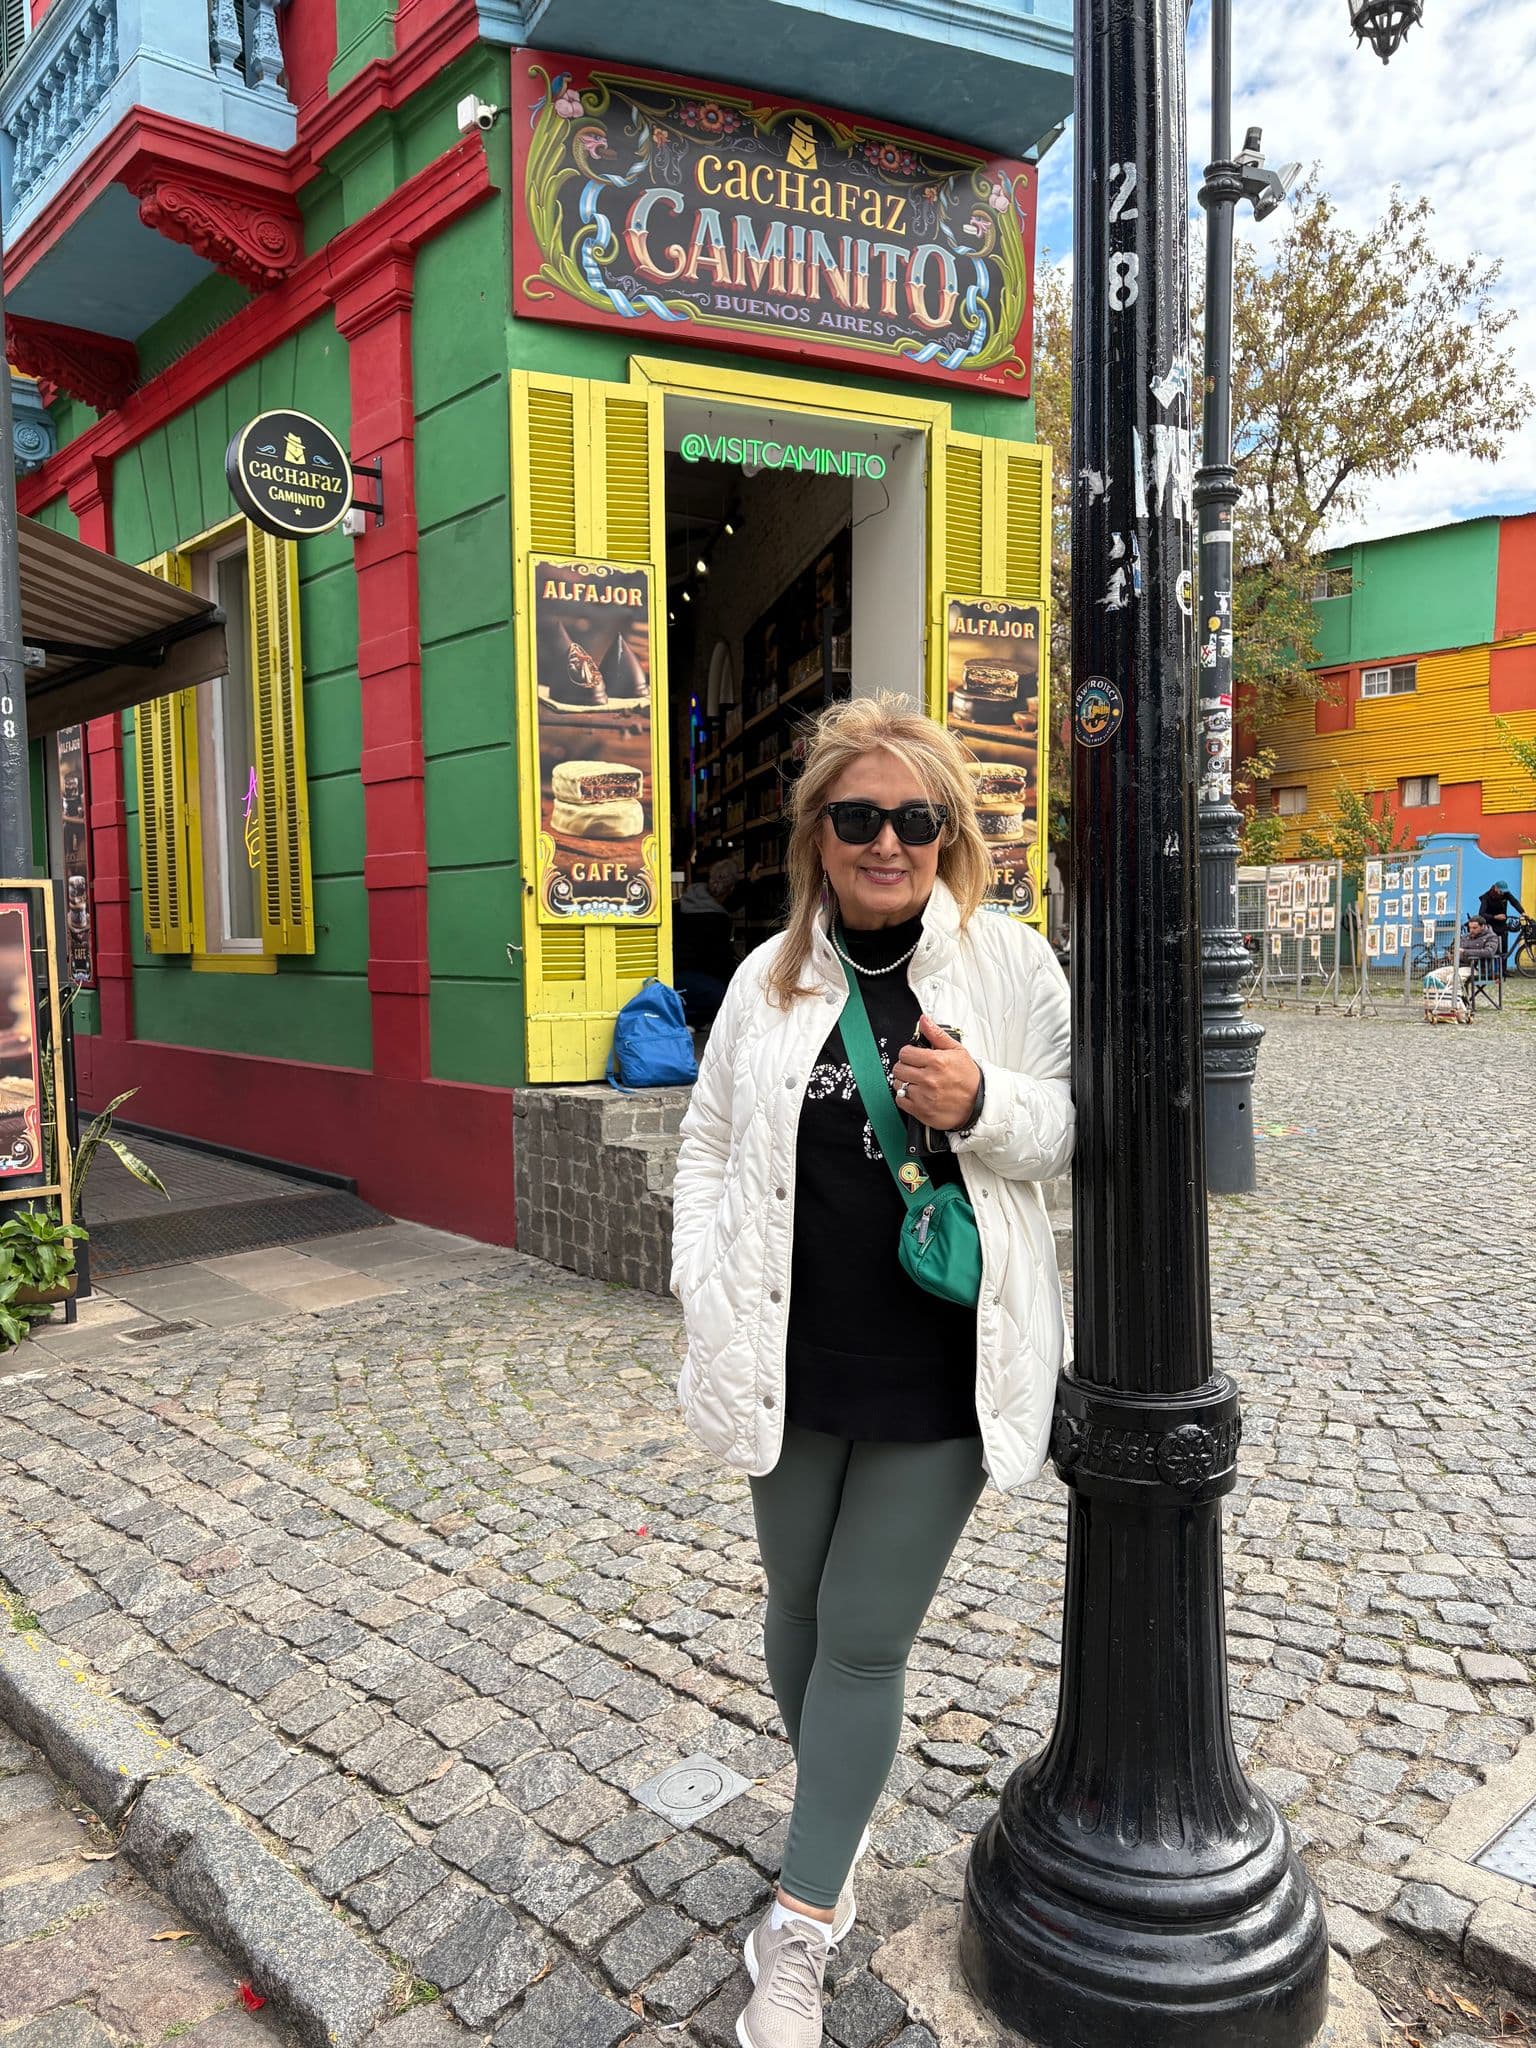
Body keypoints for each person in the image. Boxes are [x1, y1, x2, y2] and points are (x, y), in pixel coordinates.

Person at [670, 697, 1073, 2048]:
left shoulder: (1009, 968)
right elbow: (710, 1147)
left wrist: (988, 1107)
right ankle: (832, 1815)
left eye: (915, 818)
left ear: (951, 834)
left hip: (938, 1371)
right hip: (786, 1355)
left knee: (861, 1635)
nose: (887, 841)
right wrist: (697, 1283)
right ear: (817, 836)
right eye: (858, 818)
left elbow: (1070, 1131)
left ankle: (803, 1926)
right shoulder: (767, 981)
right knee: (794, 1614)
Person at [673, 857, 743, 1028]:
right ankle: (690, 1019)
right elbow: (719, 961)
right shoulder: (718, 919)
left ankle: (682, 1015)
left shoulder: (681, 905)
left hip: (670, 974)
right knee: (729, 999)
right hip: (696, 979)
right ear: (731, 889)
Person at [1477, 879, 1525, 962]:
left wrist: (1522, 912)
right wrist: (1495, 917)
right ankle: (1491, 970)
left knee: (1504, 948)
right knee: (1493, 948)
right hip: (1491, 926)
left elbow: (1514, 902)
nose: (1502, 893)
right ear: (1495, 888)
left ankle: (1504, 970)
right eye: (1501, 891)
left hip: (1502, 925)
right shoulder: (1486, 897)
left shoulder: (1506, 894)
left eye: (1504, 891)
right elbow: (1481, 914)